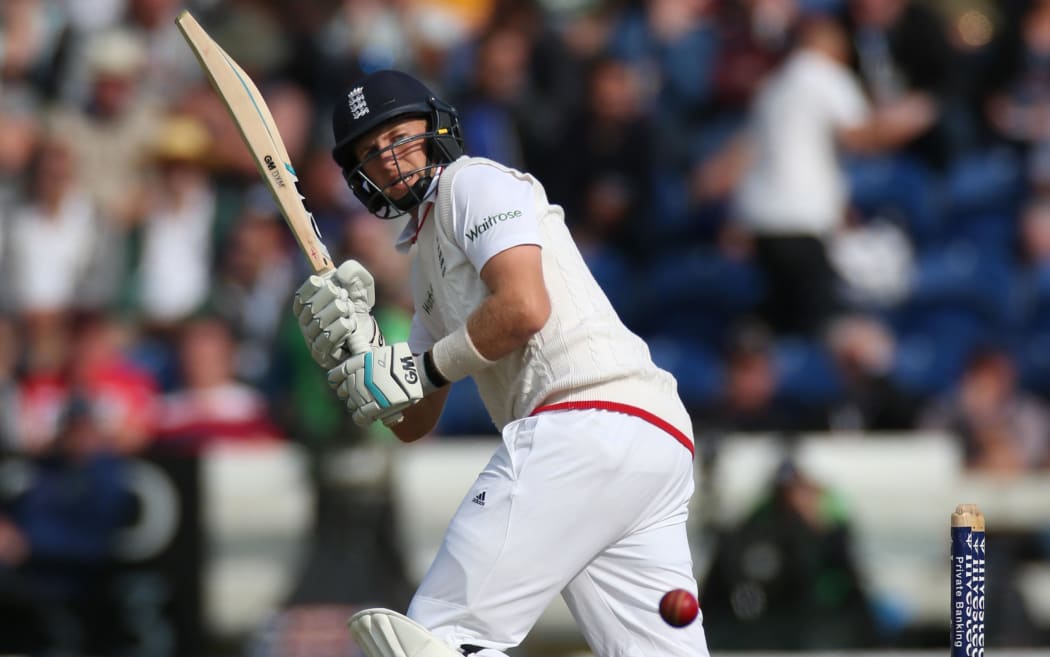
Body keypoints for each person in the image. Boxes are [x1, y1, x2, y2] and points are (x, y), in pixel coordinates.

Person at [291, 70, 707, 657]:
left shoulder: (473, 184)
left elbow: (523, 307)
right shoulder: (424, 257)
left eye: (398, 135)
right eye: (369, 150)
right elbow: (414, 420)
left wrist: (419, 370)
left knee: (436, 637)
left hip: (584, 421)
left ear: (435, 126)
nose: (387, 158)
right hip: (649, 440)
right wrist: (362, 348)